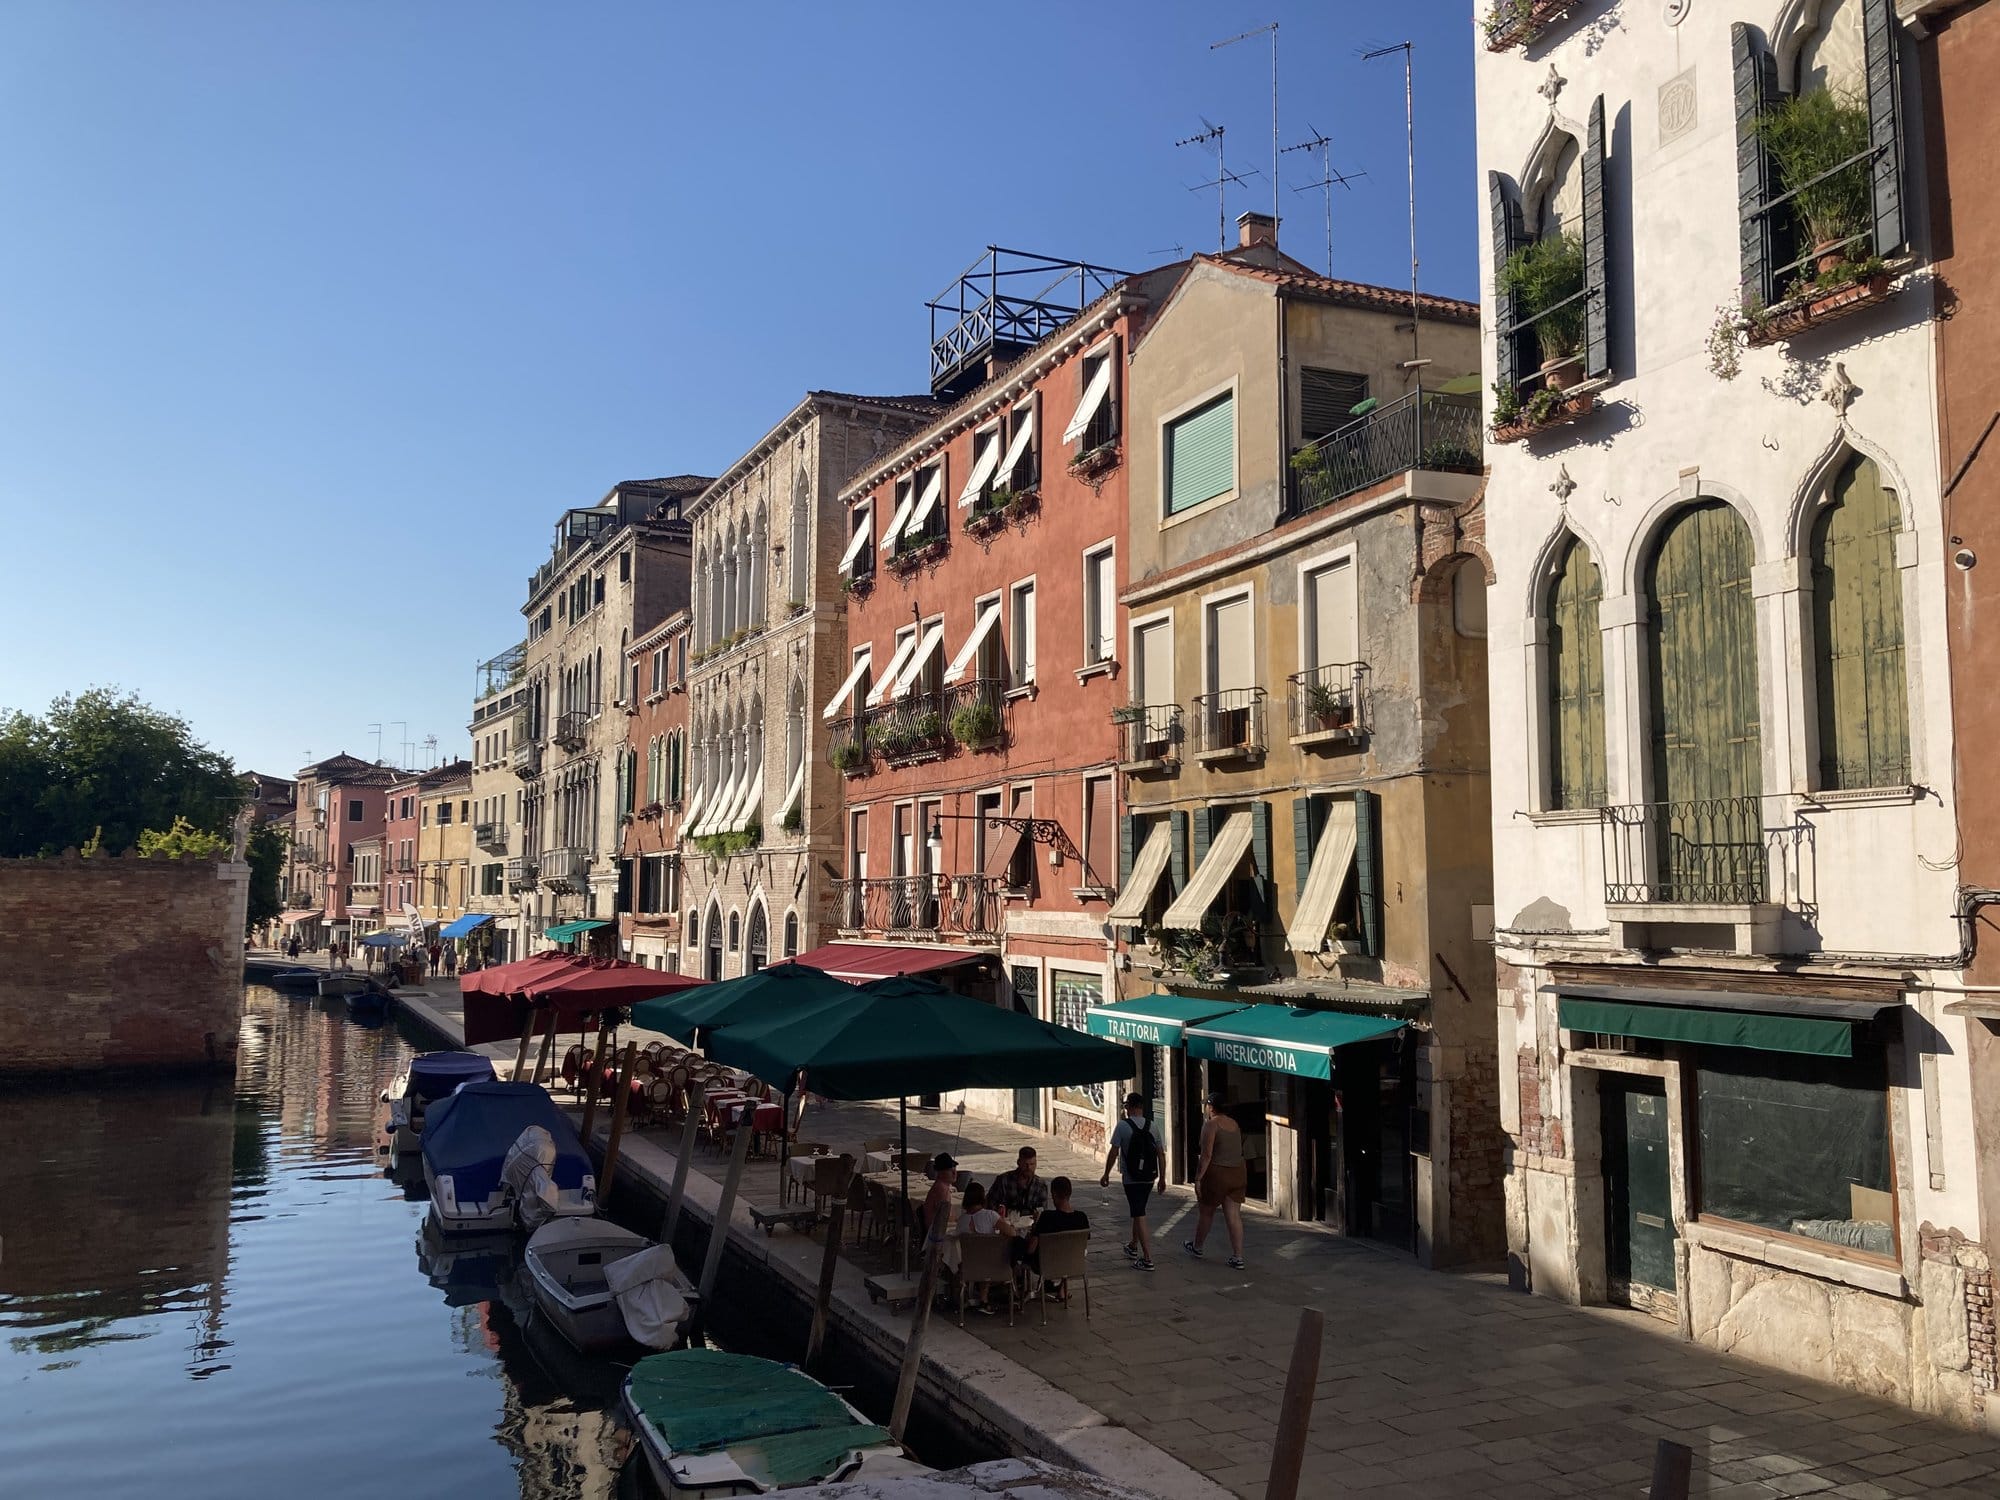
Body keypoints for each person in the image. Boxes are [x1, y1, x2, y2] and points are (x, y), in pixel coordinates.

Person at [1185, 1091, 1248, 1270]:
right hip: (1238, 1173)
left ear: (1210, 1107)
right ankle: (1238, 1256)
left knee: (1206, 1212)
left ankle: (1197, 1247)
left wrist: (1198, 1178)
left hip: (1217, 1174)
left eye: (1207, 1105)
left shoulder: (1211, 1125)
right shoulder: (1234, 1124)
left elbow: (1206, 1155)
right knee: (1234, 1216)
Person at [1100, 1092, 1162, 1271]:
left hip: (1131, 1178)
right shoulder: (1153, 1126)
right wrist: (1163, 1178)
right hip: (1149, 1177)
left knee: (1139, 1212)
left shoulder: (1122, 1126)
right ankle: (1133, 1245)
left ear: (1131, 1107)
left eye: (1126, 1106)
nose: (1125, 1110)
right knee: (1138, 1209)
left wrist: (1106, 1174)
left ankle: (1148, 1258)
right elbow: (1161, 1154)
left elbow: (1114, 1152)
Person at [1023, 1175, 1089, 1301]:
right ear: (1070, 1193)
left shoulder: (1047, 1217)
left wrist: (1035, 1225)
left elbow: (1031, 1248)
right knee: (1068, 1251)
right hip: (1073, 1263)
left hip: (1046, 1265)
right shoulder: (1082, 1218)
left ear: (1053, 1194)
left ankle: (1017, 1289)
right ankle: (1063, 1289)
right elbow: (1083, 1246)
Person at [989, 1146, 1047, 1220]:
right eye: (1025, 1165)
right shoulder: (1003, 1180)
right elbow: (991, 1204)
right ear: (1018, 1163)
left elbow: (1042, 1210)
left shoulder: (1040, 1184)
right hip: (1006, 1222)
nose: (1029, 1168)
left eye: (1032, 1164)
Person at [921, 1153, 959, 1245]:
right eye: (950, 1170)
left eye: (955, 1169)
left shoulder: (943, 1187)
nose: (954, 1173)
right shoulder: (941, 1189)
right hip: (937, 1236)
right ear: (940, 1172)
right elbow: (945, 1217)